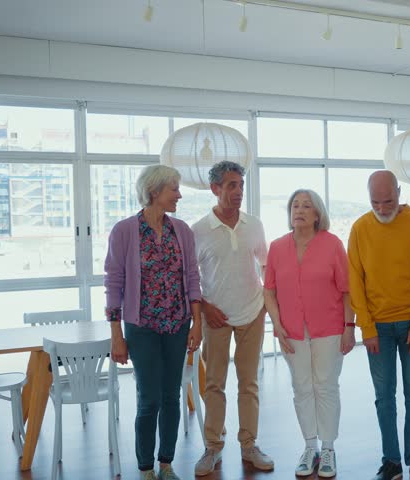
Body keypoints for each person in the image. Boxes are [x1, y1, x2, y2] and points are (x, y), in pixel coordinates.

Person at [105, 164, 203, 480]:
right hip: (141, 327)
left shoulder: (182, 231)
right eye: (173, 189)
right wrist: (116, 335)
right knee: (148, 398)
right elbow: (114, 282)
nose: (179, 194)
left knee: (171, 395)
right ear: (154, 192)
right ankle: (145, 467)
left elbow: (192, 279)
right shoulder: (124, 231)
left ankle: (166, 464)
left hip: (177, 324)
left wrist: (196, 322)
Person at [348, 170, 410, 480]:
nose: (382, 209)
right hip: (378, 329)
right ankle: (392, 462)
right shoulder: (359, 228)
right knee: (384, 397)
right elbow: (355, 281)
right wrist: (366, 327)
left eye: (389, 201)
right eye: (375, 202)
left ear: (400, 193)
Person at [263, 189, 356, 478]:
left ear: (317, 214)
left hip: (329, 328)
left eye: (306, 206)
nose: (299, 210)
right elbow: (269, 290)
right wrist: (276, 325)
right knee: (301, 387)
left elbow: (347, 290)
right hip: (291, 330)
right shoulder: (277, 247)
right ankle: (309, 446)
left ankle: (328, 448)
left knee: (325, 385)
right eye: (295, 205)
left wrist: (349, 328)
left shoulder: (332, 244)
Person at [190, 160, 274, 476]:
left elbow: (266, 265)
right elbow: (190, 277)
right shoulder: (198, 230)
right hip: (215, 317)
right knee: (214, 384)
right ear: (215, 189)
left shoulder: (254, 224)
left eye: (240, 184)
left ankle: (249, 445)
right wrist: (204, 307)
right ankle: (213, 447)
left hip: (252, 312)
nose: (238, 191)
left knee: (249, 383)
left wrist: (267, 302)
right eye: (231, 185)